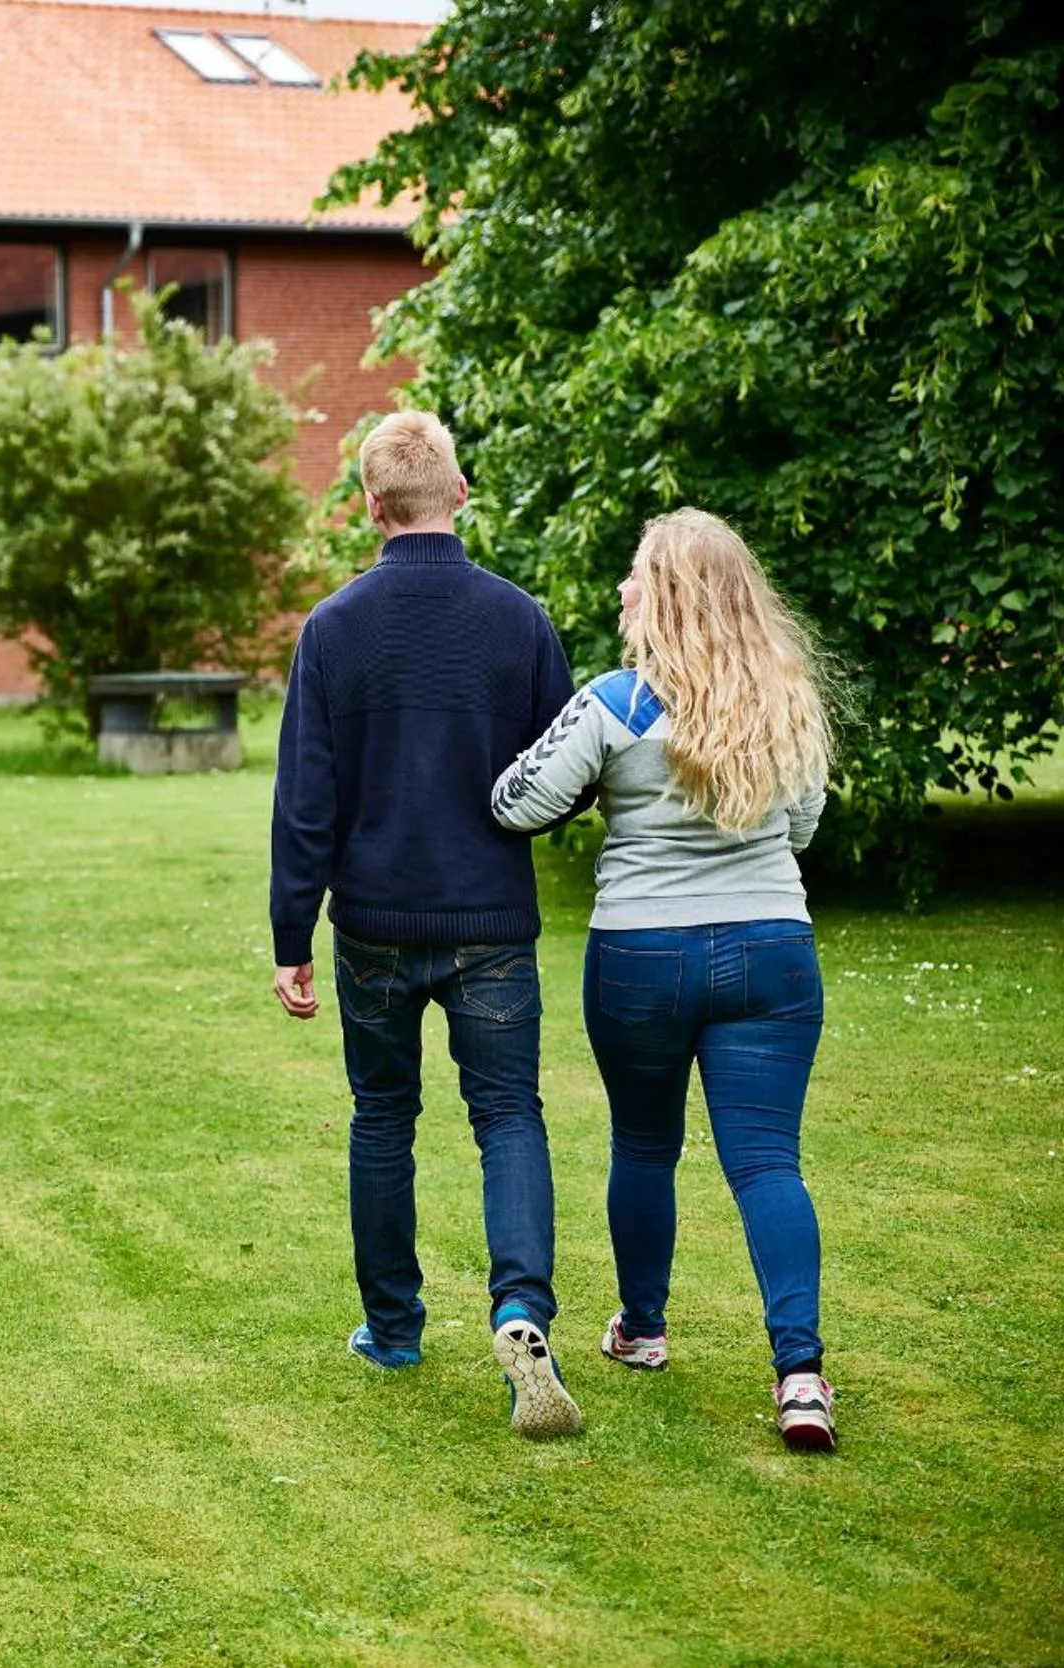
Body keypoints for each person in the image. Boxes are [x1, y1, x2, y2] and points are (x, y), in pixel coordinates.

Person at [491, 509, 839, 1452]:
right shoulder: (786, 699)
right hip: (772, 949)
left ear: (671, 595)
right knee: (769, 1162)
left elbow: (516, 802)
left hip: (642, 954)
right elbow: (801, 828)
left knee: (645, 1144)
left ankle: (641, 1330)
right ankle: (801, 1376)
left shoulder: (615, 702)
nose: (622, 590)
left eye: (637, 574)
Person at [268, 409, 586, 1439]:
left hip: (370, 922)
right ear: (458, 494)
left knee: (381, 1118)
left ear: (369, 506)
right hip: (491, 913)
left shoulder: (332, 628)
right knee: (507, 1116)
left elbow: (304, 801)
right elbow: (564, 774)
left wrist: (289, 936)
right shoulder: (520, 620)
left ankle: (393, 1328)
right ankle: (519, 1313)